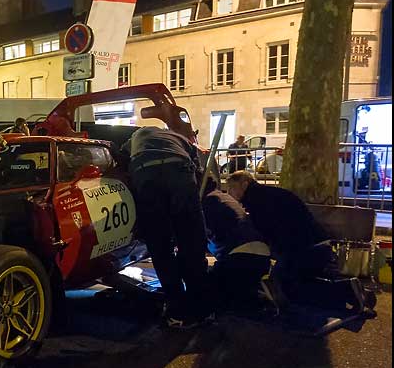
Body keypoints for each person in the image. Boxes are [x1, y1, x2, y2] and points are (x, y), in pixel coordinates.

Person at [121, 126, 214, 329]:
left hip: (146, 175)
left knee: (161, 247)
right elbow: (197, 165)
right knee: (192, 242)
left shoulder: (134, 139)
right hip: (179, 173)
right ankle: (201, 309)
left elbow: (121, 158)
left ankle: (177, 309)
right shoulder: (178, 137)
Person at [225, 171, 336, 299]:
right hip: (312, 242)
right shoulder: (269, 194)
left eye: (232, 188)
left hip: (301, 247)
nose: (229, 193)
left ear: (244, 185)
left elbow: (266, 229)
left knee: (284, 286)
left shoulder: (256, 200)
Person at [201, 178, 271, 311]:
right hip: (260, 255)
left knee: (205, 291)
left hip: (240, 257)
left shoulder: (208, 203)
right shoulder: (222, 197)